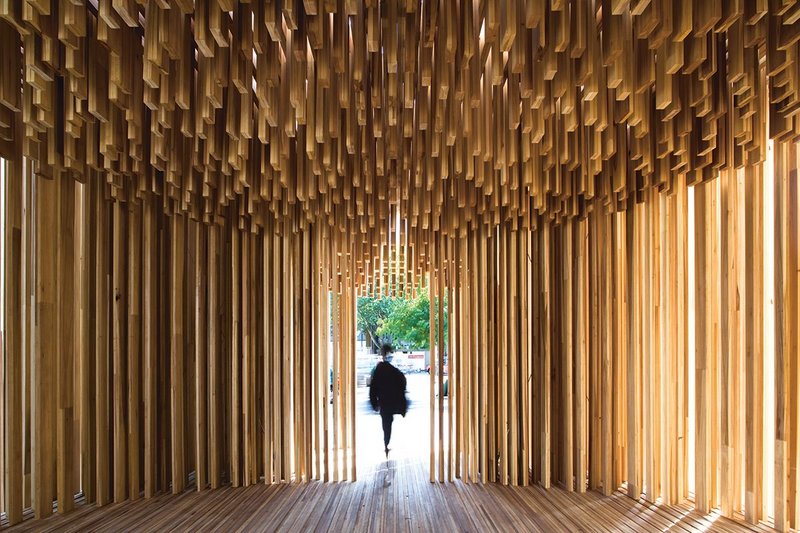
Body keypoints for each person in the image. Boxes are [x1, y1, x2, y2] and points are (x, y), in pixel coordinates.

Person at [369, 343, 408, 458]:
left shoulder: (378, 370)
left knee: (386, 423)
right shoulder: (393, 370)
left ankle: (386, 442)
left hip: (383, 402)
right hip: (392, 401)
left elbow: (373, 388)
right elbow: (402, 381)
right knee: (388, 422)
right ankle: (386, 442)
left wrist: (374, 403)